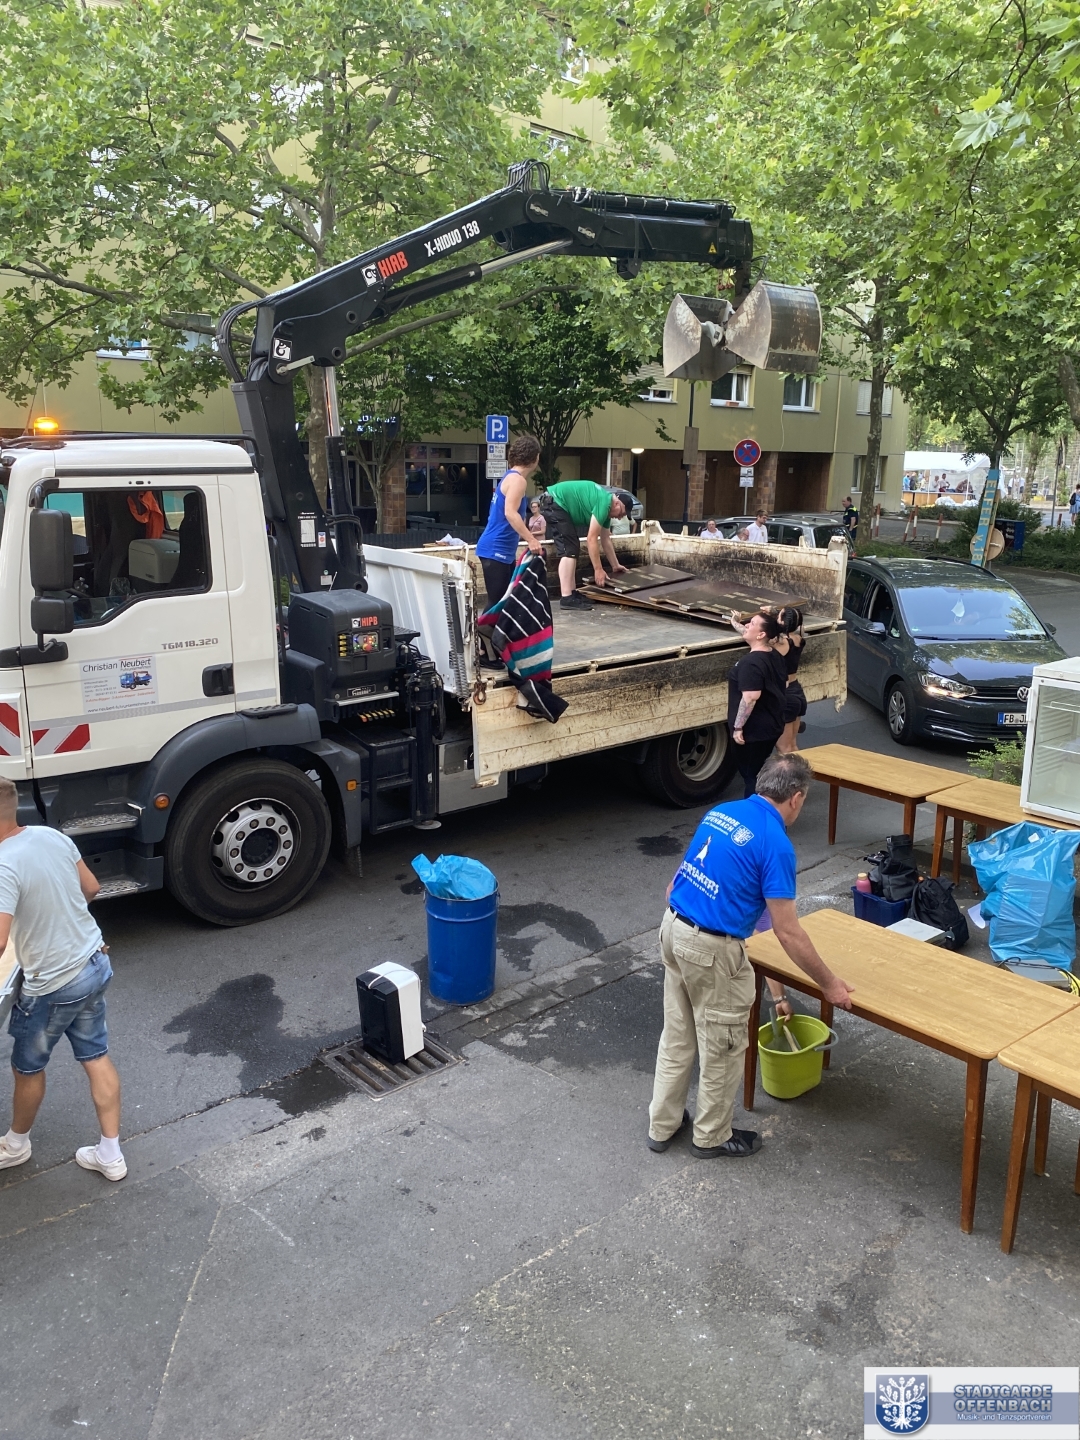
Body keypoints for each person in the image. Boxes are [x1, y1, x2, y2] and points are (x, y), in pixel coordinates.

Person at [647, 754, 854, 1158]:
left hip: (672, 928)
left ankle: (662, 1124)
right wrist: (830, 986)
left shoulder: (722, 812)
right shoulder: (775, 843)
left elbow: (675, 884)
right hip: (711, 948)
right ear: (796, 797)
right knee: (722, 1047)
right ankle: (711, 1136)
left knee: (678, 1035)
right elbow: (787, 931)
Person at [0, 779, 126, 1180]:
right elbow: (91, 887)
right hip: (93, 962)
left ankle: (15, 1145)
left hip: (53, 985)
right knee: (95, 1056)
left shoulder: (2, 864)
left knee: (27, 1067)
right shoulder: (50, 836)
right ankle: (110, 1155)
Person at [538, 481, 631, 611]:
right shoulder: (604, 502)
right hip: (554, 502)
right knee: (569, 549)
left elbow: (605, 539)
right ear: (617, 504)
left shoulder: (606, 510)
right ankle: (566, 597)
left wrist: (615, 565)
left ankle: (571, 593)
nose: (620, 518)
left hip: (555, 502)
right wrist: (598, 570)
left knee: (572, 548)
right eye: (621, 513)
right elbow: (591, 538)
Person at [475, 435, 543, 604]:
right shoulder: (518, 480)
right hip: (496, 549)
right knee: (497, 605)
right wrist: (531, 540)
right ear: (535, 458)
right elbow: (510, 513)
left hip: (501, 550)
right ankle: (483, 624)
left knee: (506, 604)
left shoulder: (510, 477)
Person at [727, 612, 787, 796]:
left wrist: (738, 727)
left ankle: (755, 809)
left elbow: (751, 697)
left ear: (761, 634)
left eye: (751, 623)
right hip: (771, 726)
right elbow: (750, 633)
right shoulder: (774, 654)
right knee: (758, 771)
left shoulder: (750, 664)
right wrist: (734, 622)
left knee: (751, 776)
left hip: (753, 732)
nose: (747, 625)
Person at [773, 606, 807, 754]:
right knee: (792, 745)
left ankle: (789, 771)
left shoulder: (781, 643)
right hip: (797, 691)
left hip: (786, 693)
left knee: (784, 748)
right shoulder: (799, 639)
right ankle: (798, 769)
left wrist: (735, 622)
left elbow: (755, 637)